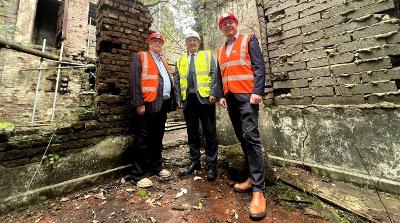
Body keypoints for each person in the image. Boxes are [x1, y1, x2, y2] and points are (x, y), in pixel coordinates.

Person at [215, 13, 268, 220]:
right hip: (231, 99)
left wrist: (258, 91)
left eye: (231, 22)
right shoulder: (220, 50)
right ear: (221, 28)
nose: (228, 25)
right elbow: (221, 75)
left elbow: (259, 66)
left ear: (235, 25)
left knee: (251, 138)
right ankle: (251, 178)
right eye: (224, 23)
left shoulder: (249, 39)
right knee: (242, 139)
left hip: (248, 96)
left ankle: (258, 191)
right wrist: (221, 95)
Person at [129, 32, 177, 188]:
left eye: (160, 41)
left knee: (158, 137)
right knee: (142, 138)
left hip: (162, 104)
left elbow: (167, 81)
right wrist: (139, 103)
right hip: (147, 104)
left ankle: (156, 167)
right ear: (148, 43)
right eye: (154, 40)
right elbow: (135, 81)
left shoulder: (163, 61)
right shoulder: (141, 56)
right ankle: (138, 174)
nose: (157, 43)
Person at [174, 30, 219, 181]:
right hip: (188, 100)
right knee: (192, 132)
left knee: (209, 131)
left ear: (198, 43)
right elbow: (177, 79)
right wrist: (179, 97)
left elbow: (214, 74)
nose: (192, 43)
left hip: (205, 99)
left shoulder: (206, 55)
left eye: (194, 40)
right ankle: (195, 162)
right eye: (189, 40)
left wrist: (214, 93)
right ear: (186, 43)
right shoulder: (180, 60)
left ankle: (212, 164)